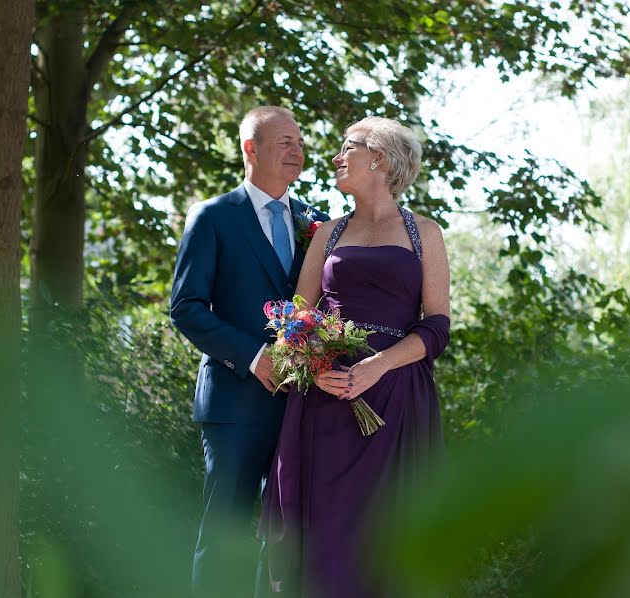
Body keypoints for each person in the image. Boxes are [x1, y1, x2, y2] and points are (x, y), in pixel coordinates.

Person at [258, 116, 452, 597]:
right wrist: (316, 368)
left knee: (382, 536)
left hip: (395, 403)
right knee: (324, 537)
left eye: (348, 147)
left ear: (379, 158)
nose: (336, 157)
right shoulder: (327, 234)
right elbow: (296, 316)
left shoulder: (423, 233)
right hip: (324, 401)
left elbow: (438, 325)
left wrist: (378, 365)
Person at [170, 105, 328, 594]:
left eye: (299, 142)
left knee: (286, 542)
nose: (296, 150)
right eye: (284, 141)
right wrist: (256, 358)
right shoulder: (214, 217)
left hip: (302, 406)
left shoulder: (316, 223)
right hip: (235, 406)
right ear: (250, 149)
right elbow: (186, 308)